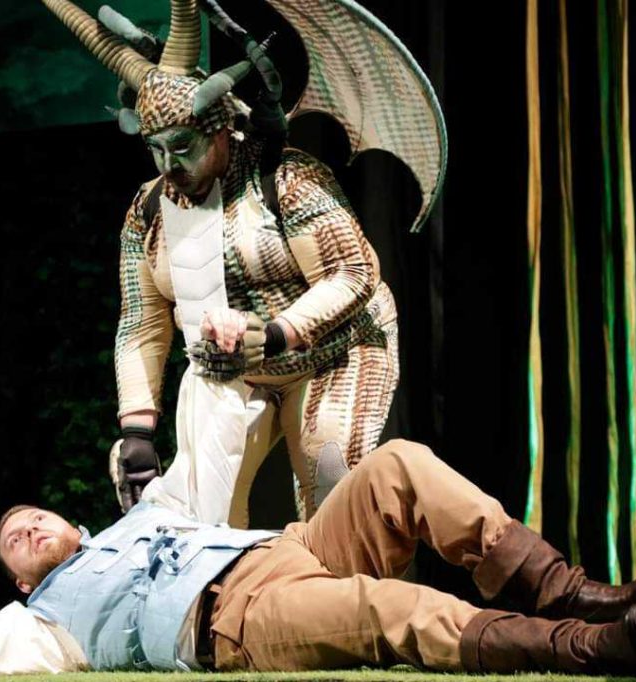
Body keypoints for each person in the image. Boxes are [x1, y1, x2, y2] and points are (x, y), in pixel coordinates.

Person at [0, 439, 636, 677]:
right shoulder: (42, 619)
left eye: (36, 517)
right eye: (16, 539)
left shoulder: (143, 518)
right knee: (390, 611)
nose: (31, 528)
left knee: (398, 464)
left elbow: (204, 444)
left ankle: (565, 591)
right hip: (236, 620)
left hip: (289, 546)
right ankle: (591, 647)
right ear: (20, 577)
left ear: (71, 521)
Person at [40, 0, 404, 526]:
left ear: (217, 129)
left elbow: (352, 274)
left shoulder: (287, 179)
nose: (170, 166)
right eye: (156, 149)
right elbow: (142, 323)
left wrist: (276, 334)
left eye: (182, 146)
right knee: (199, 514)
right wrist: (137, 429)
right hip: (234, 371)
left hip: (333, 352)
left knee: (332, 480)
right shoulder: (149, 210)